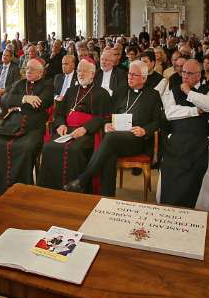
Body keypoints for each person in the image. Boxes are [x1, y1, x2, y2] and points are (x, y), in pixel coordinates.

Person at [63, 61, 164, 196]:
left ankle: (83, 180)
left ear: (144, 78)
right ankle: (106, 195)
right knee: (109, 153)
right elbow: (108, 114)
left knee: (109, 139)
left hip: (137, 139)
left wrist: (145, 130)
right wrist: (106, 124)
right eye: (129, 74)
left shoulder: (152, 95)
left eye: (134, 75)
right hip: (116, 136)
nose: (130, 77)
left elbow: (158, 121)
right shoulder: (121, 90)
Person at [0, 58, 54, 200]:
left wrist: (17, 104)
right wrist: (24, 99)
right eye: (27, 68)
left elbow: (42, 103)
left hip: (33, 127)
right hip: (13, 124)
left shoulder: (48, 86)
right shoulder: (19, 84)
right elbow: (5, 99)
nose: (28, 71)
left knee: (26, 147)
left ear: (40, 73)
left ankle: (22, 192)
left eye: (32, 69)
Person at [38, 60, 111, 191]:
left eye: (84, 71)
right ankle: (50, 189)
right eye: (78, 71)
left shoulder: (102, 93)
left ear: (93, 73)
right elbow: (59, 113)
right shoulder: (71, 91)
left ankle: (76, 188)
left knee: (75, 150)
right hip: (67, 129)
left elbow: (102, 117)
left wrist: (85, 128)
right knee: (49, 147)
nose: (80, 74)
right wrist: (60, 125)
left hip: (87, 132)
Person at [159, 59, 209, 209]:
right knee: (171, 166)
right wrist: (194, 111)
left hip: (200, 138)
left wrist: (188, 92)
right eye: (183, 72)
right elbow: (169, 112)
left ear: (199, 75)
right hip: (178, 137)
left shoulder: (208, 89)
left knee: (198, 166)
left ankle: (195, 208)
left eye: (189, 73)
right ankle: (170, 206)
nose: (185, 76)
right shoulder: (174, 90)